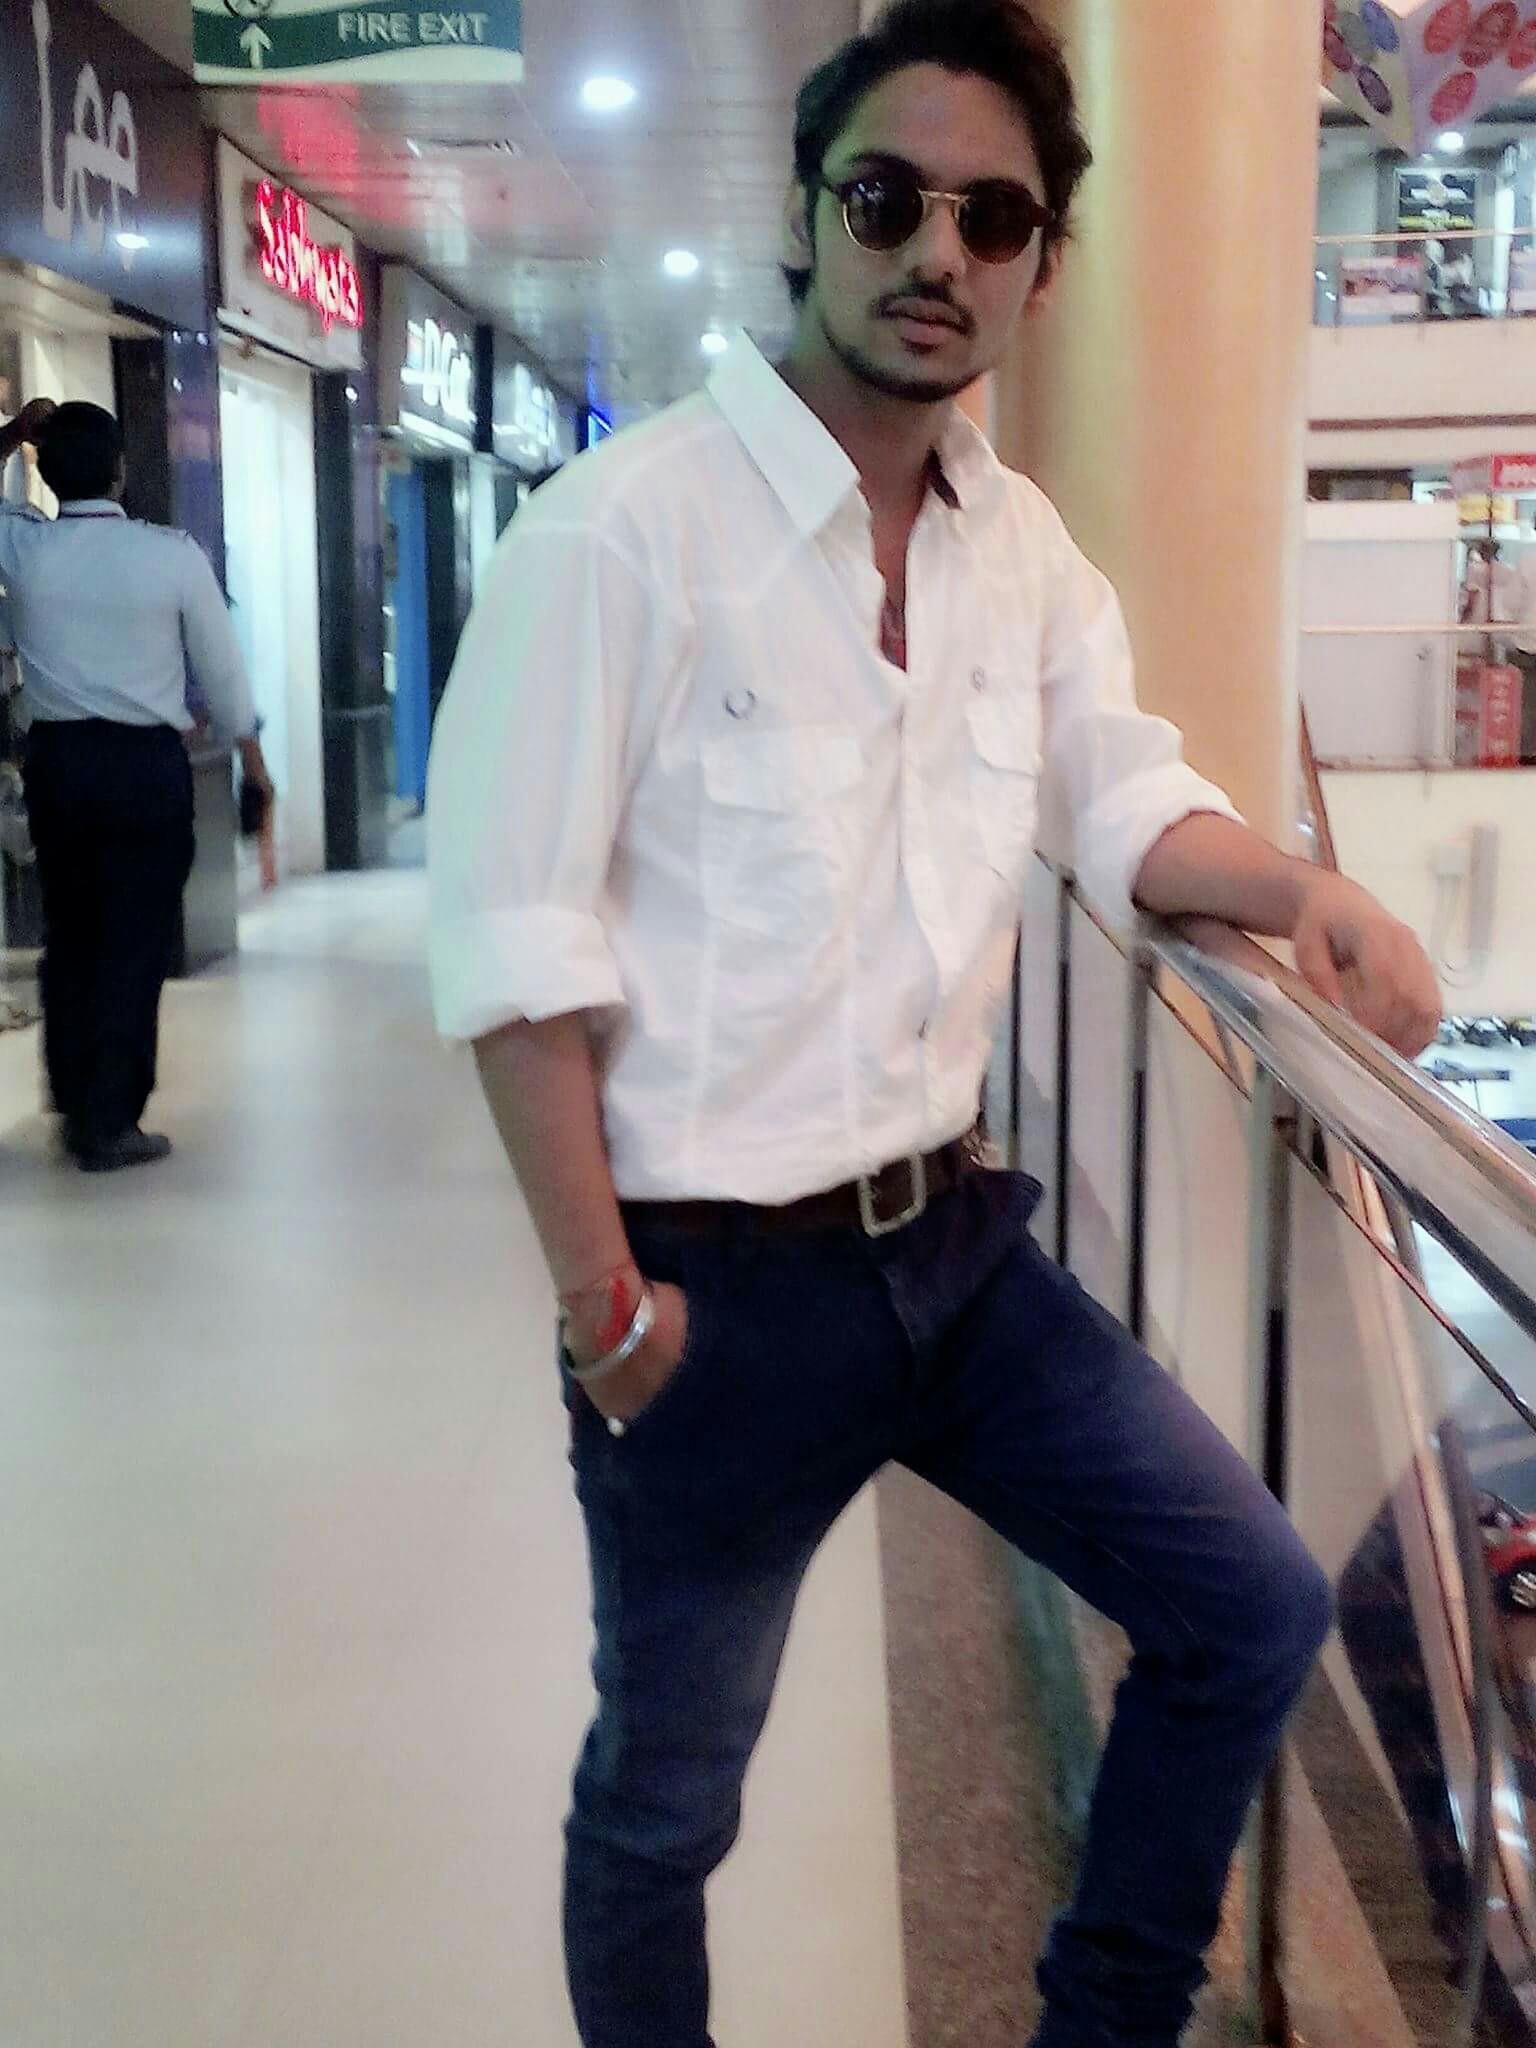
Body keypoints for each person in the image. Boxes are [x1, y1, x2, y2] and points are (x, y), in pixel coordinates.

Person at [426, 4, 1443, 2042]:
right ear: (807, 214)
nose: (936, 252)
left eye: (994, 217)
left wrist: (1301, 890)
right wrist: (609, 1309)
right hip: (710, 1292)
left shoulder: (1024, 548)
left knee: (1246, 1604)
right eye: (887, 197)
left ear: (1042, 263)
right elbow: (516, 951)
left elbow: (1125, 803)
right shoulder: (622, 531)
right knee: (667, 1803)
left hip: (958, 1256)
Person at [0, 398, 273, 1172]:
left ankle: (73, 1098)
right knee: (132, 940)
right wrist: (255, 770)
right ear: (121, 471)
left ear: (46, 471)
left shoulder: (23, 548)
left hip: (58, 766)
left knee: (72, 933)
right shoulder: (172, 556)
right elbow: (224, 672)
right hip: (144, 770)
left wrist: (11, 435)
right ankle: (110, 1119)